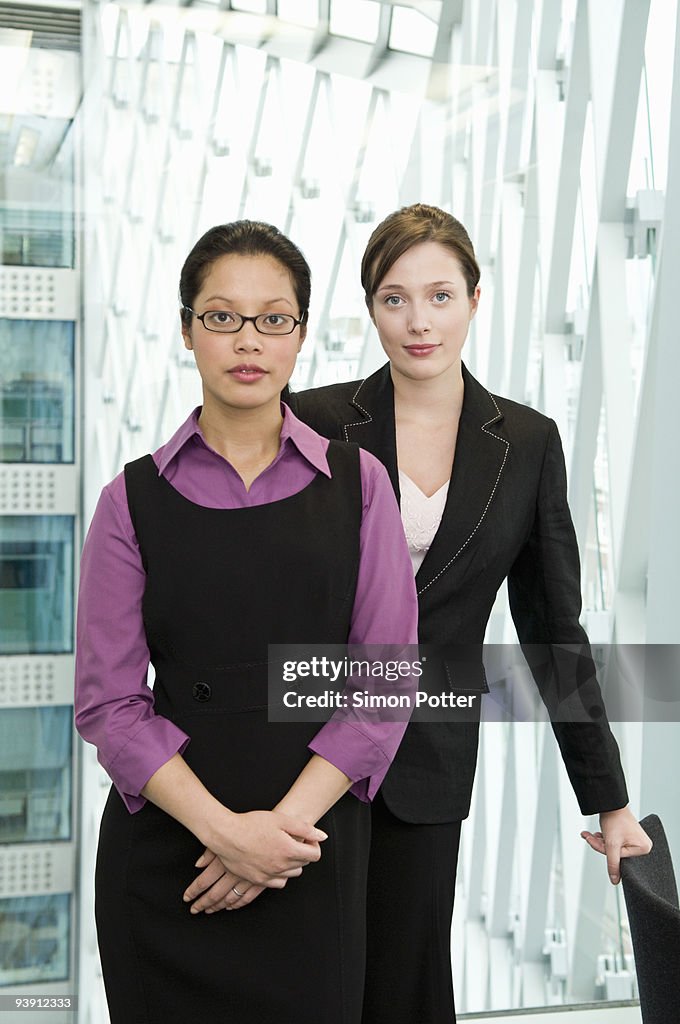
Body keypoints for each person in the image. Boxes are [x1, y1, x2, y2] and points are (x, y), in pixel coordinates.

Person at [281, 204, 653, 1023]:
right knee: (304, 985)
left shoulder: (526, 444)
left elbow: (554, 631)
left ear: (476, 300)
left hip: (425, 765)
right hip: (297, 753)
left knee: (406, 992)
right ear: (371, 306)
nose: (419, 322)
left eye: (440, 296)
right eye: (395, 298)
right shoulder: (311, 423)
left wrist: (610, 800)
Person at [74, 220, 419, 1024]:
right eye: (222, 316)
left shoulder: (359, 483)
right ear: (188, 329)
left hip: (311, 850)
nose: (247, 340)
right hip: (167, 859)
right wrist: (225, 833)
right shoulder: (129, 500)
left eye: (274, 318)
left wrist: (273, 838)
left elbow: (385, 683)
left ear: (300, 334)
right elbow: (109, 705)